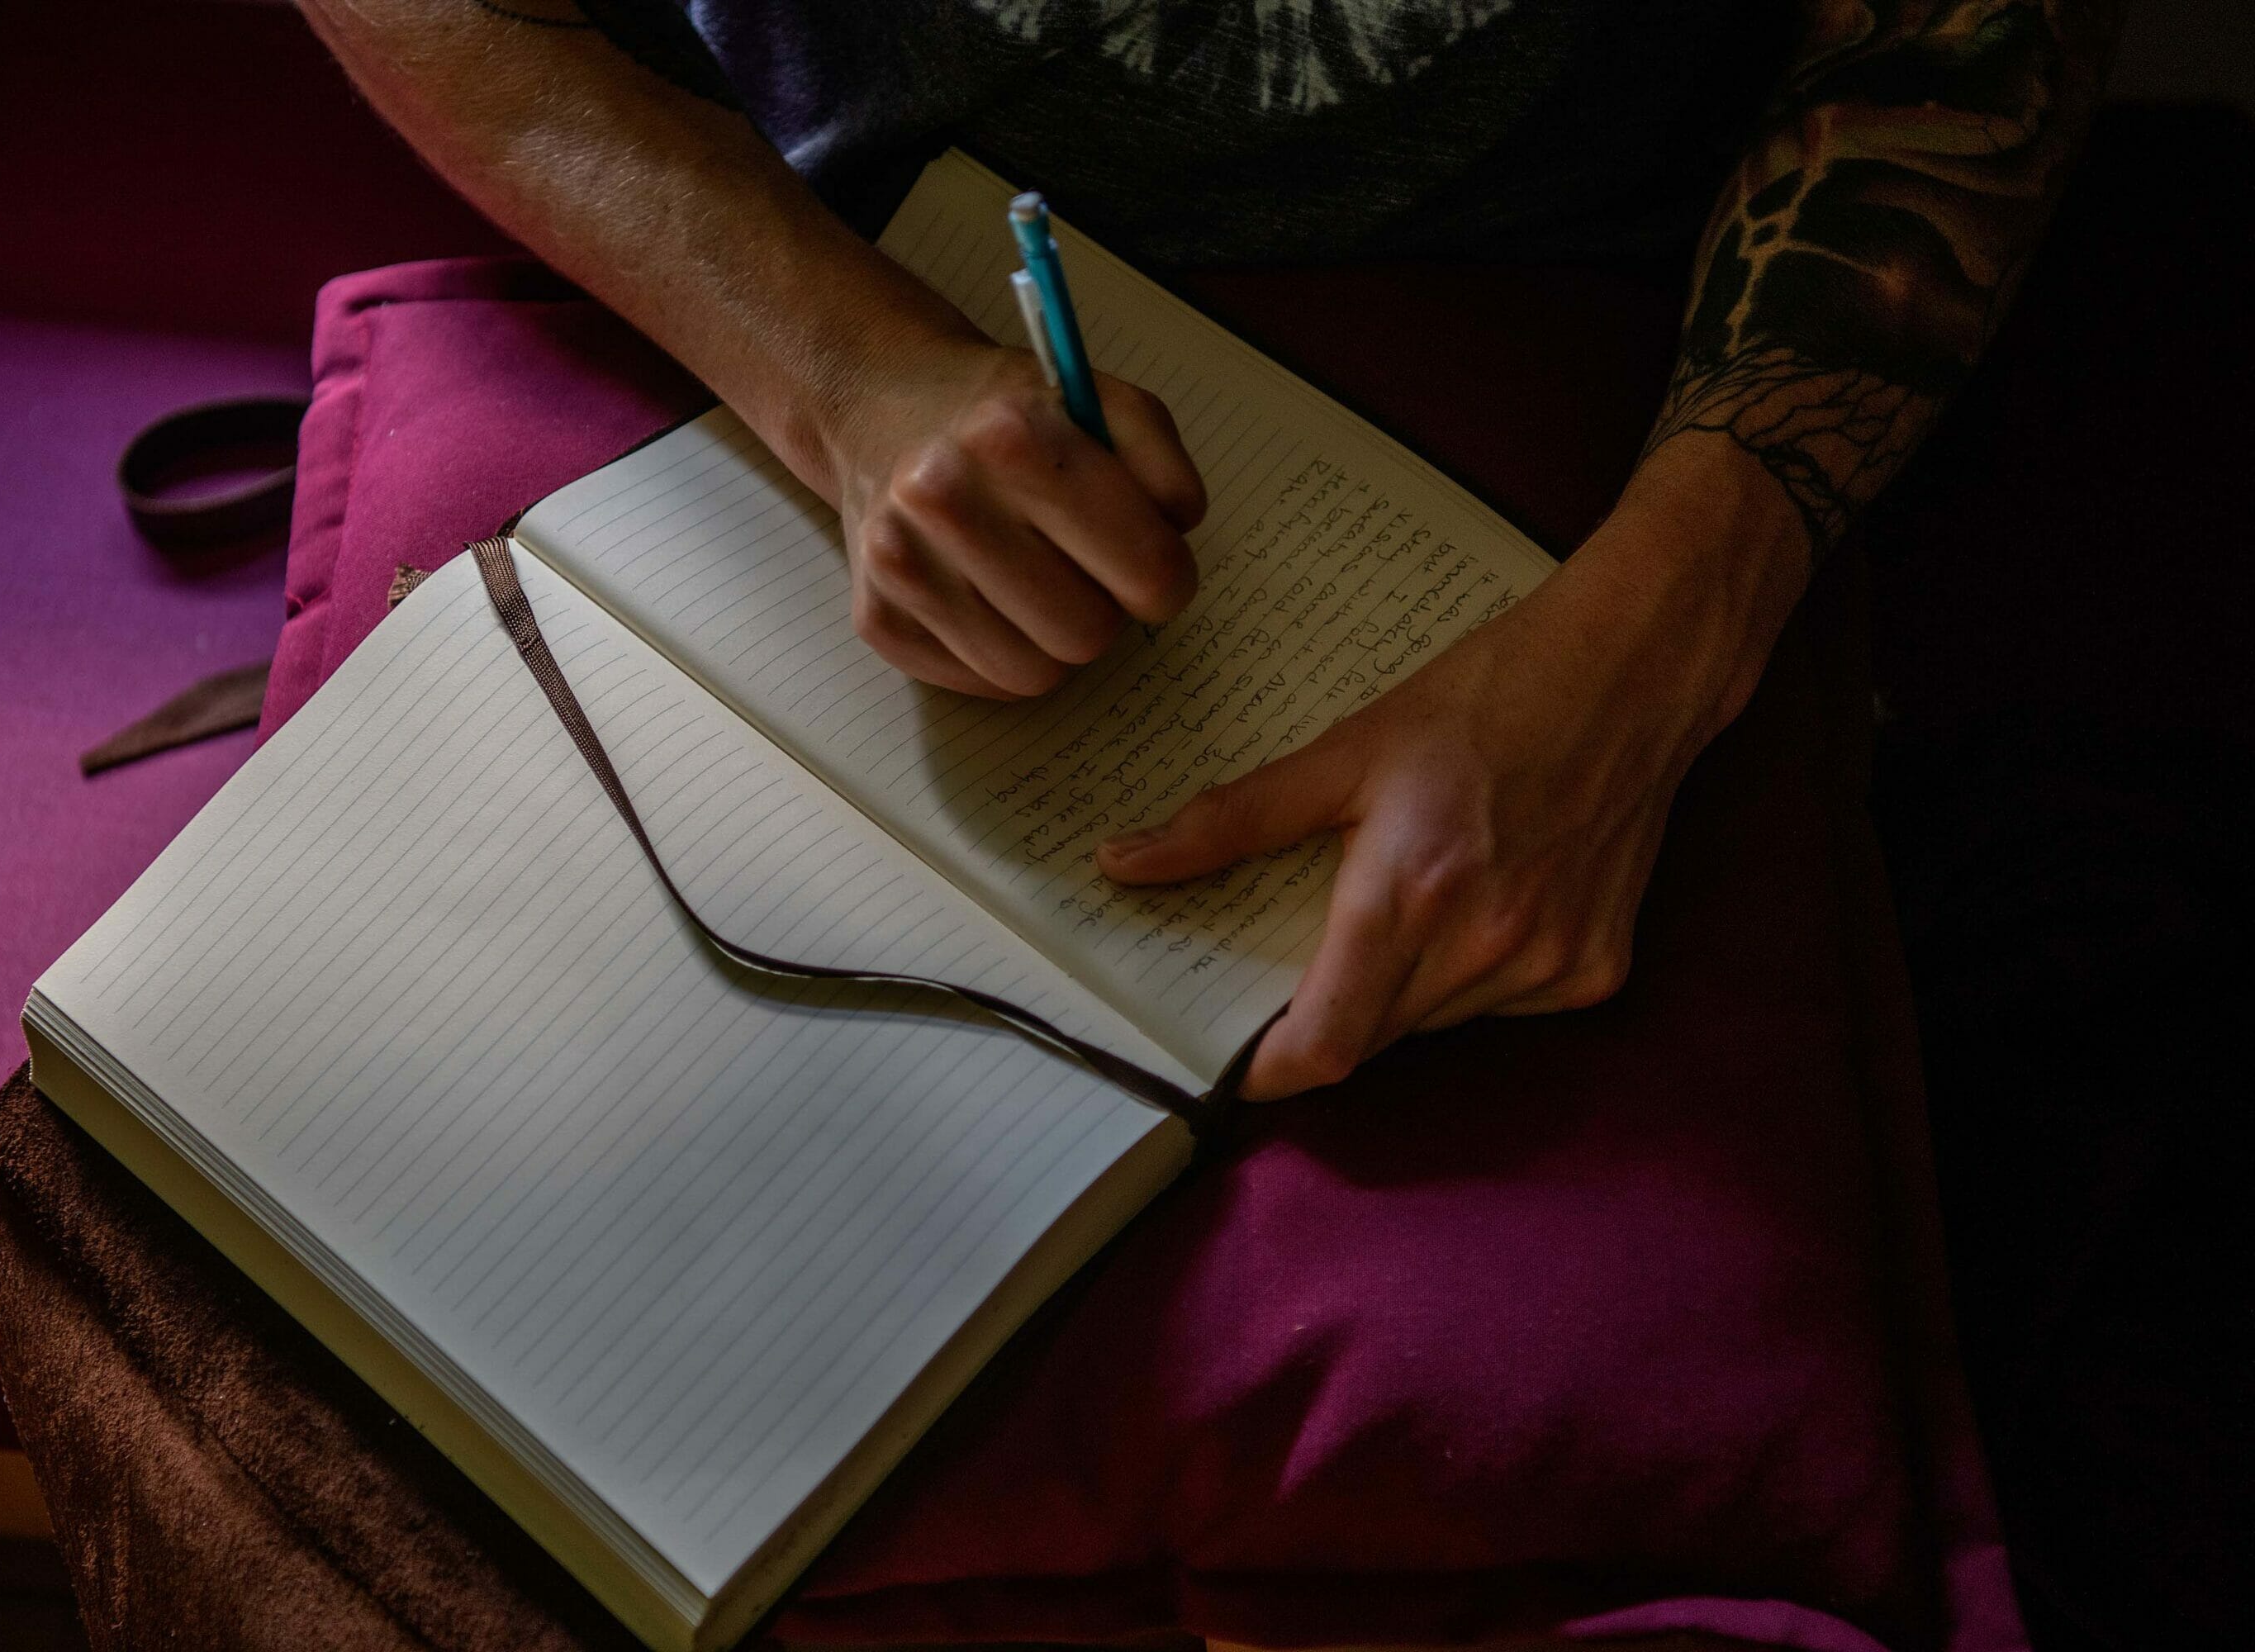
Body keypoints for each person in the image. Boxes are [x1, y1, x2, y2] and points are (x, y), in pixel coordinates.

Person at [294, 0, 2119, 1100]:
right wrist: (838, 374)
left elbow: (1967, 37)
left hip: (1634, 405)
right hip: (766, 290)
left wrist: (1667, 647)